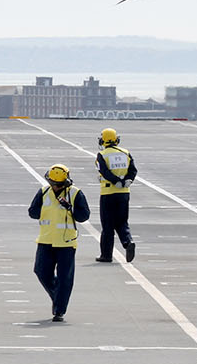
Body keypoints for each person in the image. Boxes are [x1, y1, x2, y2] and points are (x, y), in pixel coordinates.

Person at [29, 164, 90, 322]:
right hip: (46, 240)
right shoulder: (43, 192)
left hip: (66, 243)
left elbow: (84, 216)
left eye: (59, 185)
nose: (56, 187)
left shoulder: (75, 193)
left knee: (65, 278)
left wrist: (69, 208)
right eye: (53, 184)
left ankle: (59, 310)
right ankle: (58, 296)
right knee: (41, 271)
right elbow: (32, 212)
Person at [94, 127, 137, 263]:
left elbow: (105, 172)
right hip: (124, 193)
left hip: (108, 193)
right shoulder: (126, 153)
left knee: (107, 226)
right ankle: (127, 241)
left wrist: (116, 181)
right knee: (122, 222)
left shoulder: (102, 154)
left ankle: (106, 255)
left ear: (103, 140)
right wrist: (128, 180)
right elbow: (133, 170)